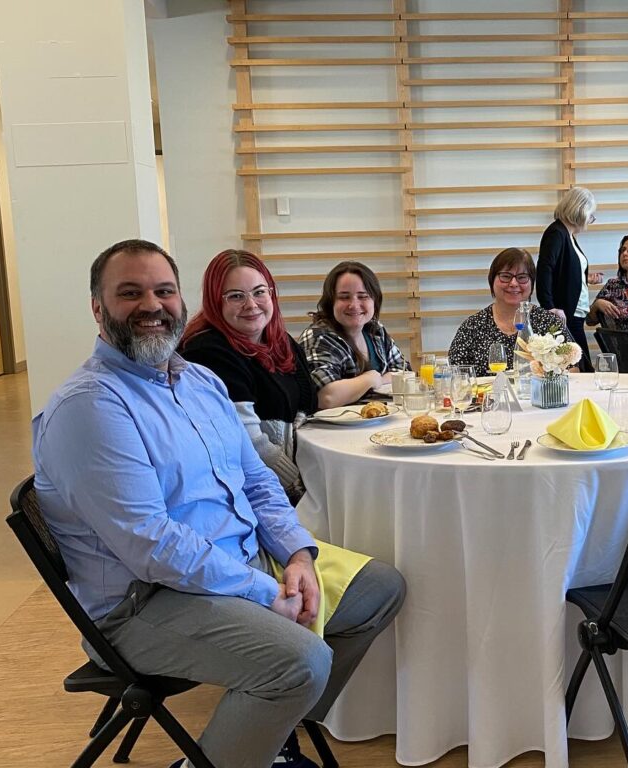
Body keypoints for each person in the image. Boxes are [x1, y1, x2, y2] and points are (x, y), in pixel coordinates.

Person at [32, 239, 406, 768]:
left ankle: (266, 735)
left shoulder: (199, 381)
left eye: (164, 291)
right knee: (300, 661)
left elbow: (256, 482)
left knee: (380, 589)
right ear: (98, 307)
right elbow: (152, 545)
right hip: (145, 602)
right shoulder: (91, 406)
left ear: (181, 299)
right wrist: (264, 591)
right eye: (130, 293)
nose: (152, 305)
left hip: (235, 563)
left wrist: (298, 554)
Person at [180, 249, 316, 503]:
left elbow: (308, 404)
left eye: (259, 292)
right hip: (243, 494)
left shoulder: (280, 341)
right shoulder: (208, 351)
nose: (251, 305)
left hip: (283, 480)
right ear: (215, 301)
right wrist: (300, 485)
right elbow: (249, 442)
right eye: (236, 296)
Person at [299, 261, 408, 409]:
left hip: (381, 417)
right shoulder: (317, 337)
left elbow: (404, 373)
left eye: (363, 296)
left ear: (375, 301)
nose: (354, 305)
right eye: (344, 297)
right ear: (331, 302)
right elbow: (326, 397)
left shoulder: (375, 330)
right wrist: (369, 379)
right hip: (331, 423)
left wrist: (378, 381)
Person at [448, 247, 574, 372]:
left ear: (532, 283)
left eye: (522, 277)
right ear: (492, 280)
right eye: (506, 276)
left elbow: (573, 369)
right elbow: (455, 375)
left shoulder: (549, 322)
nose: (513, 283)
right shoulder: (472, 327)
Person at [536, 186, 603, 371]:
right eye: (591, 215)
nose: (591, 220)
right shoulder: (556, 233)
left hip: (575, 314)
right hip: (566, 314)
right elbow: (545, 270)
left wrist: (585, 278)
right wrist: (549, 307)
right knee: (581, 368)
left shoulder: (568, 235)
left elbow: (563, 271)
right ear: (581, 210)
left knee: (581, 366)